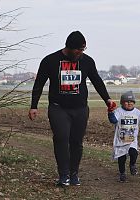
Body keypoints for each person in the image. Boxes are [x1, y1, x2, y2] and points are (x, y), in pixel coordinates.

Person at [29, 31, 116, 186]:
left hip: (80, 108)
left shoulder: (87, 61)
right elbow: (39, 84)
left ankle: (74, 173)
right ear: (69, 47)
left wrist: (107, 99)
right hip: (58, 108)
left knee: (76, 142)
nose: (80, 53)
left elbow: (97, 80)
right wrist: (33, 106)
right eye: (78, 50)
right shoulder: (50, 61)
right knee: (61, 139)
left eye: (83, 49)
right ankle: (63, 175)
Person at [108, 91, 140, 182]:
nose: (129, 103)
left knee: (134, 153)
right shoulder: (118, 112)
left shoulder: (137, 113)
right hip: (121, 140)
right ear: (122, 103)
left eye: (131, 101)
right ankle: (122, 173)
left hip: (132, 140)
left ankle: (132, 164)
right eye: (127, 101)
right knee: (122, 158)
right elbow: (113, 120)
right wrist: (110, 112)